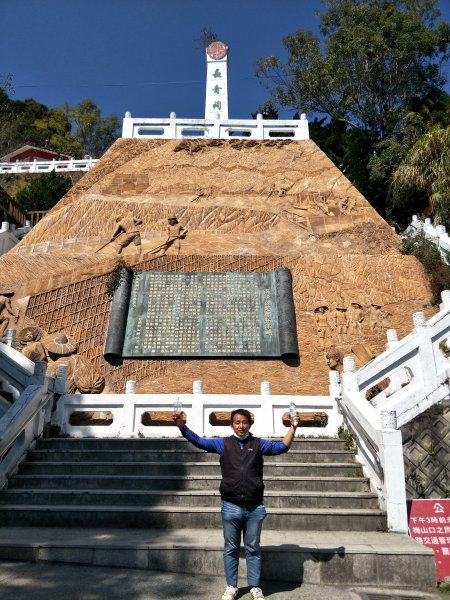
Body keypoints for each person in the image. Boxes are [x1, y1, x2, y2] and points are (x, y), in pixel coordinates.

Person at [172, 408, 299, 600]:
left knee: (253, 548)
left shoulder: (258, 444)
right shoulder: (223, 444)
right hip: (231, 505)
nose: (241, 425)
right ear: (232, 425)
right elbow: (199, 441)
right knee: (231, 548)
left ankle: (255, 587)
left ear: (250, 424)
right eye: (237, 422)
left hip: (255, 506)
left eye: (244, 422)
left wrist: (293, 427)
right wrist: (183, 427)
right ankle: (231, 586)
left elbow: (282, 447)